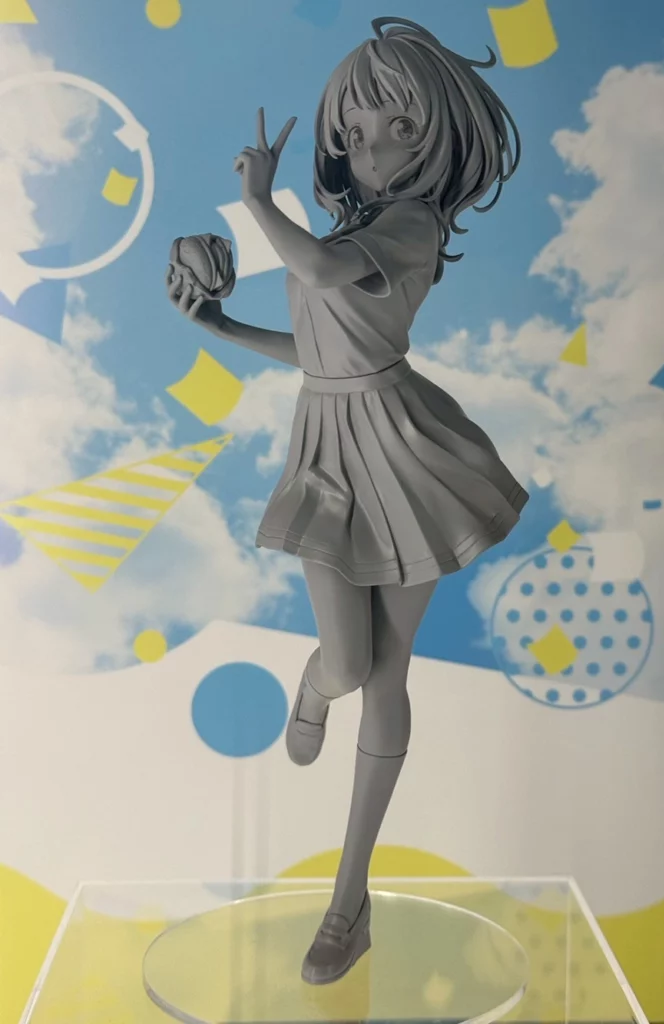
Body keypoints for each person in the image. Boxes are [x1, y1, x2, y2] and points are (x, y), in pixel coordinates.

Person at [167, 16, 529, 986]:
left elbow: (321, 274)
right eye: (355, 133)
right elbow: (322, 348)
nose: (369, 151)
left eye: (395, 130)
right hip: (328, 449)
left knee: (390, 675)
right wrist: (223, 326)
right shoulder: (345, 231)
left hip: (405, 450)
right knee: (347, 660)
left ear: (437, 136)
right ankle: (315, 683)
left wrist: (257, 200)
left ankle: (348, 902)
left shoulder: (413, 225)